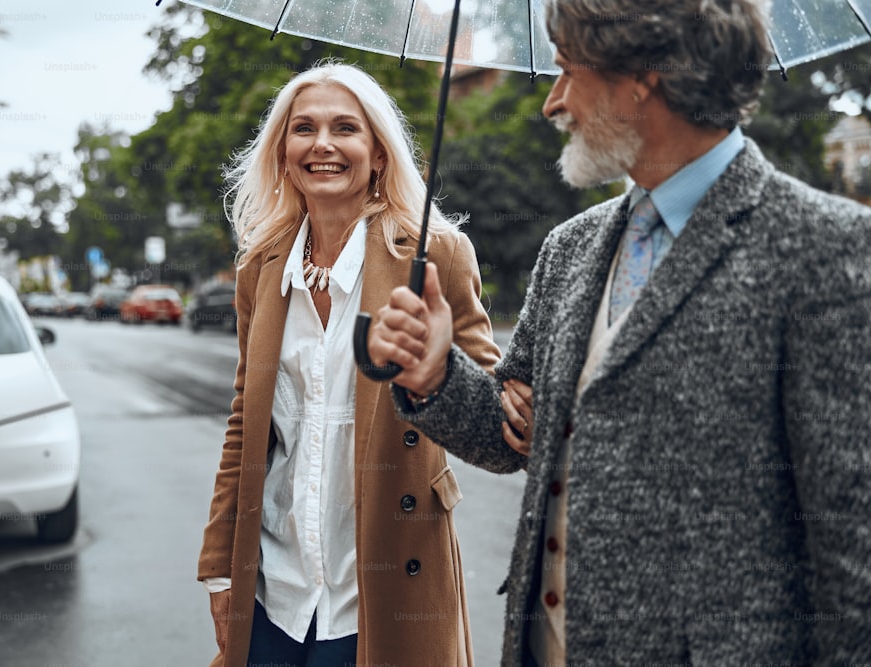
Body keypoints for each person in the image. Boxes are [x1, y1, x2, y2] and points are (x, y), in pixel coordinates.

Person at [367, 1, 871, 665]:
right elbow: (510, 434)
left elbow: (852, 549)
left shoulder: (824, 248)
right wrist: (436, 373)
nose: (552, 103)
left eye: (568, 72)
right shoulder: (569, 249)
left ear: (644, 75)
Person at [197, 61, 501, 667]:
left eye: (346, 128)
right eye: (303, 128)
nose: (324, 144)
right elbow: (244, 424)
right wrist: (219, 569)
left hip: (384, 587)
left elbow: (497, 422)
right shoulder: (260, 266)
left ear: (379, 154)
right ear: (284, 153)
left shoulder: (434, 254)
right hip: (273, 590)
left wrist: (439, 372)